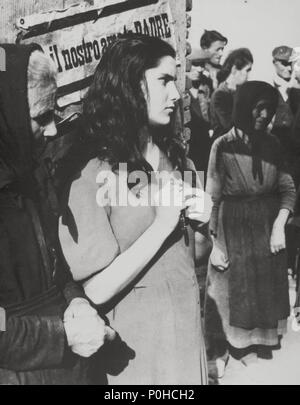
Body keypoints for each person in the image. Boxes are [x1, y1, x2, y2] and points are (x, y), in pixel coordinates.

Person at [59, 34, 212, 385]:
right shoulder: (93, 173)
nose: (176, 94)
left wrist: (204, 227)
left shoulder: (181, 161)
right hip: (135, 353)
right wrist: (161, 226)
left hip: (186, 339)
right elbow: (93, 291)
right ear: (130, 85)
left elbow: (195, 260)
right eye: (164, 80)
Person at [0, 44, 112, 385]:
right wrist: (59, 335)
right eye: (40, 116)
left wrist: (74, 300)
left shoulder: (30, 178)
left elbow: (56, 267)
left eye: (55, 112)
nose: (52, 130)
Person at [205, 81, 296, 370]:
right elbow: (213, 197)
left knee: (263, 287)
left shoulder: (272, 144)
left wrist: (280, 223)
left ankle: (262, 342)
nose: (264, 114)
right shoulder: (222, 146)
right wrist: (216, 244)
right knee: (232, 288)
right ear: (244, 107)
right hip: (234, 226)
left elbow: (288, 188)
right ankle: (225, 348)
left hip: (267, 225)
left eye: (269, 109)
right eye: (259, 107)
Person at [187, 30, 228, 179]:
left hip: (204, 145)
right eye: (194, 65)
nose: (199, 69)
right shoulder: (178, 90)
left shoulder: (206, 86)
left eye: (201, 65)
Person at [210, 48, 253, 139]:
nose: (249, 76)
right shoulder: (220, 95)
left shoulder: (240, 93)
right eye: (247, 70)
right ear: (234, 70)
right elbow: (229, 125)